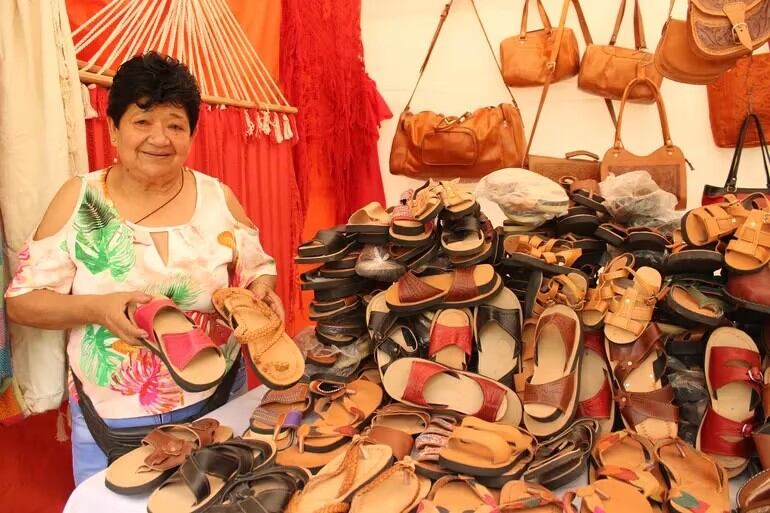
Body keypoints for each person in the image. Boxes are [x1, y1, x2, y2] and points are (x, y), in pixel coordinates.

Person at [5, 52, 283, 485]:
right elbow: (23, 304)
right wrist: (98, 309)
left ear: (191, 134)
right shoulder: (79, 200)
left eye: (175, 124)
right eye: (142, 121)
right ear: (114, 128)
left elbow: (257, 270)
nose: (160, 137)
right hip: (113, 419)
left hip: (218, 404)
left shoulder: (218, 199)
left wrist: (263, 290)